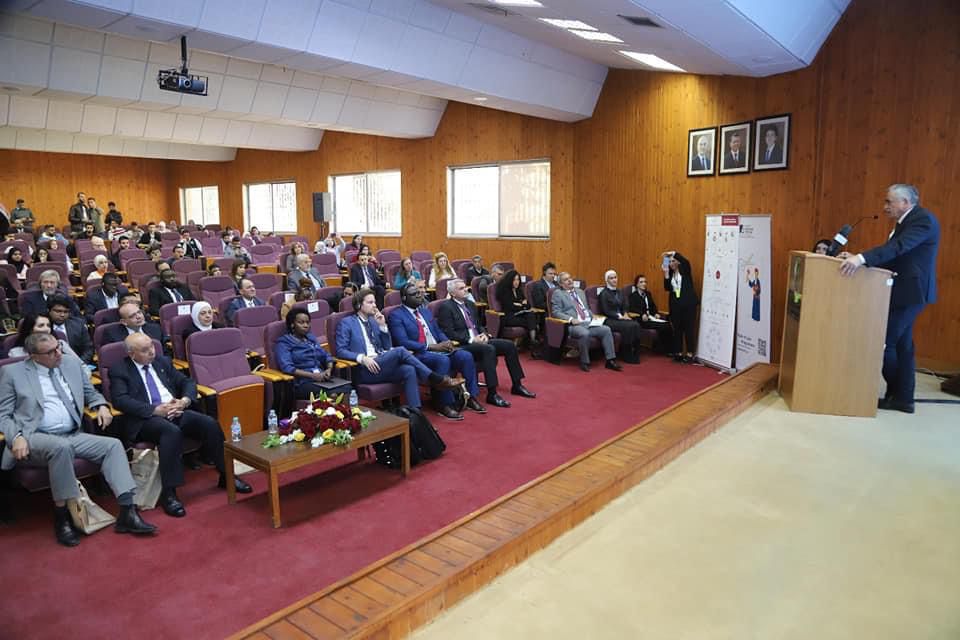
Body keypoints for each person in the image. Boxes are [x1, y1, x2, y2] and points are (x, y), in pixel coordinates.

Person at [0, 333, 158, 545]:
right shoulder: (12, 372)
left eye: (58, 347)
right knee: (61, 447)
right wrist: (16, 436)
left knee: (112, 445)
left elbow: (90, 392)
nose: (58, 353)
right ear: (33, 356)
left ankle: (127, 511)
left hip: (72, 434)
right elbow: (3, 414)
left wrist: (100, 405)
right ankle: (62, 516)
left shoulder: (71, 363)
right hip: (33, 436)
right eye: (51, 352)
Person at [110, 333, 251, 518]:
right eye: (145, 350)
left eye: (151, 346)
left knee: (209, 424)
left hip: (175, 410)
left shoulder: (161, 362)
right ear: (131, 354)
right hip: (146, 419)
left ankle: (227, 476)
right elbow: (121, 400)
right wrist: (154, 410)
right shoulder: (120, 370)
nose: (151, 352)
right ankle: (169, 493)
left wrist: (183, 401)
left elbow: (187, 382)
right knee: (171, 432)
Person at [839, 184, 940, 413]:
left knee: (884, 343)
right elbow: (894, 255)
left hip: (912, 293)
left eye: (889, 202)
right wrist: (859, 259)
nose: (885, 207)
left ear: (905, 202)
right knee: (903, 346)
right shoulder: (906, 221)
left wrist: (861, 259)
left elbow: (899, 247)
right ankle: (903, 398)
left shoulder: (922, 220)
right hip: (904, 292)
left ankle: (898, 395)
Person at [335, 288, 464, 412]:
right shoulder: (347, 323)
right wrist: (362, 358)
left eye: (374, 302)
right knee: (401, 350)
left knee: (409, 370)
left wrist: (383, 326)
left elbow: (386, 347)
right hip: (364, 370)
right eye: (370, 302)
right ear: (359, 305)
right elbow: (340, 350)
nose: (374, 305)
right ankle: (435, 378)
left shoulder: (374, 322)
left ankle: (416, 413)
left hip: (381, 364)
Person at [387, 283, 481, 420]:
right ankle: (444, 404)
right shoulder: (396, 315)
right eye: (414, 294)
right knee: (442, 360)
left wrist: (446, 342)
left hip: (439, 348)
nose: (419, 296)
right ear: (404, 298)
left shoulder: (425, 311)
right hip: (418, 353)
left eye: (420, 293)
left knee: (465, 356)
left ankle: (471, 396)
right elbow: (402, 341)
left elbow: (438, 331)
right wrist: (430, 347)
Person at [437, 279, 536, 408]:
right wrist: (471, 340)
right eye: (461, 288)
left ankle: (517, 385)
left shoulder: (470, 304)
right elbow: (449, 332)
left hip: (479, 340)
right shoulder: (446, 307)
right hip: (463, 344)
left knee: (509, 345)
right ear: (452, 293)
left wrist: (484, 334)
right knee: (489, 349)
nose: (465, 290)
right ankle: (492, 393)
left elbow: (479, 325)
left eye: (465, 287)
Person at [551, 272, 621, 372]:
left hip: (588, 322)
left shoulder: (580, 292)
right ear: (561, 284)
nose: (570, 280)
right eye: (566, 280)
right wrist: (570, 319)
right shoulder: (558, 294)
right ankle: (584, 361)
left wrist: (593, 316)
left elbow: (586, 309)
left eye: (570, 278)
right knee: (585, 333)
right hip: (574, 325)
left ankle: (610, 360)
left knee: (606, 329)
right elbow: (556, 312)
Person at [275, 308, 349, 400]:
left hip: (321, 378)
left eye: (307, 322)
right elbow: (287, 368)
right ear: (292, 324)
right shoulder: (284, 343)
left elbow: (326, 356)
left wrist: (329, 369)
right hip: (302, 382)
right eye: (301, 322)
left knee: (348, 388)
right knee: (331, 394)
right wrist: (312, 376)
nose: (306, 325)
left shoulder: (311, 339)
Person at [597, 270, 641, 364]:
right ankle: (626, 354)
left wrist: (625, 313)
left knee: (636, 325)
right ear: (607, 280)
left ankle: (635, 353)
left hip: (621, 318)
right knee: (629, 326)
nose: (614, 280)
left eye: (615, 277)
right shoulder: (603, 293)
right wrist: (619, 316)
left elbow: (625, 305)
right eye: (611, 278)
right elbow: (606, 310)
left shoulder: (620, 292)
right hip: (609, 319)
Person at [662, 250, 699, 363]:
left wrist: (673, 253)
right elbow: (667, 288)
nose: (671, 263)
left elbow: (685, 261)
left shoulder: (685, 271)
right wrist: (666, 272)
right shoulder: (670, 274)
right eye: (670, 262)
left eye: (673, 261)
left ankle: (690, 353)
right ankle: (678, 352)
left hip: (688, 305)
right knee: (677, 329)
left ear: (678, 262)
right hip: (676, 306)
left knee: (688, 329)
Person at [494, 269, 539, 353]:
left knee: (531, 315)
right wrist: (522, 305)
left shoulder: (519, 290)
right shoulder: (504, 291)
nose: (516, 282)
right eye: (514, 280)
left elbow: (528, 305)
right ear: (509, 280)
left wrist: (520, 305)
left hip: (519, 315)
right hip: (508, 317)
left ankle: (532, 341)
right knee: (533, 322)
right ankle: (533, 343)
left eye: (518, 279)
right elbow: (509, 307)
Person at [6, 313, 82, 360]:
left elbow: (80, 365)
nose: (46, 329)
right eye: (41, 326)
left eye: (48, 325)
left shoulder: (61, 344)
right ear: (30, 329)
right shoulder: (16, 353)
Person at [627, 274, 672, 353]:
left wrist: (656, 313)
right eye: (641, 282)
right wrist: (642, 314)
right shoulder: (633, 296)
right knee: (665, 326)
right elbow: (632, 309)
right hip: (642, 320)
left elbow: (653, 306)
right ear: (637, 284)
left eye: (645, 282)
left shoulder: (648, 294)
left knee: (667, 323)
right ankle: (666, 350)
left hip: (651, 317)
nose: (644, 284)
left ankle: (663, 348)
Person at [47, 295, 94, 364]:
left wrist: (80, 364)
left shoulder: (78, 325)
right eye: (58, 311)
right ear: (49, 311)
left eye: (66, 312)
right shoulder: (43, 326)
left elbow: (88, 349)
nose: (62, 315)